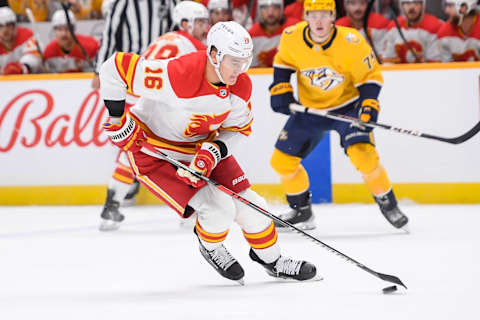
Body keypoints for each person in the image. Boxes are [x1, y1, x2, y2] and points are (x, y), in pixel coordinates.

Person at [99, 21, 318, 283]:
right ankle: (211, 247)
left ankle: (272, 260)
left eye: (245, 62)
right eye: (234, 62)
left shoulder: (239, 87)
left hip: (201, 146)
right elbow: (114, 68)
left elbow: (237, 130)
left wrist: (213, 152)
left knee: (255, 207)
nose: (241, 70)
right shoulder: (177, 75)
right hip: (154, 152)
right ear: (214, 55)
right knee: (218, 210)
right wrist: (117, 120)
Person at [268, 0, 409, 231]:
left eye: (324, 14)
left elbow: (369, 76)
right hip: (311, 109)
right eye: (313, 15)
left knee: (363, 155)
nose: (319, 21)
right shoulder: (291, 37)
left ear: (333, 16)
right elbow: (283, 64)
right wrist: (280, 88)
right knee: (282, 162)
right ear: (305, 16)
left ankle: (387, 201)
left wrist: (369, 104)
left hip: (347, 107)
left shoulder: (351, 40)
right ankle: (302, 211)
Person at [99, 1, 210, 231]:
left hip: (138, 101)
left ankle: (112, 204)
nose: (204, 28)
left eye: (205, 22)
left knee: (131, 152)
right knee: (189, 149)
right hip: (163, 105)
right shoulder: (193, 46)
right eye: (199, 22)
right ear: (185, 23)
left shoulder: (163, 38)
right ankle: (190, 210)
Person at [92, 0, 179, 90]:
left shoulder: (169, 2)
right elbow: (109, 35)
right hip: (131, 70)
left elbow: (178, 32)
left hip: (160, 70)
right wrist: (98, 71)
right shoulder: (123, 2)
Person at [248, 0, 299, 68]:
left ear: (281, 9)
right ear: (259, 10)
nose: (270, 13)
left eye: (275, 8)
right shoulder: (252, 34)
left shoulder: (294, 28)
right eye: (265, 8)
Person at [0, 6, 42, 75]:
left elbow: (33, 58)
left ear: (15, 25)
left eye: (8, 25)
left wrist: (22, 67)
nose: (5, 30)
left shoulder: (27, 35)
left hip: (31, 80)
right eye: (0, 26)